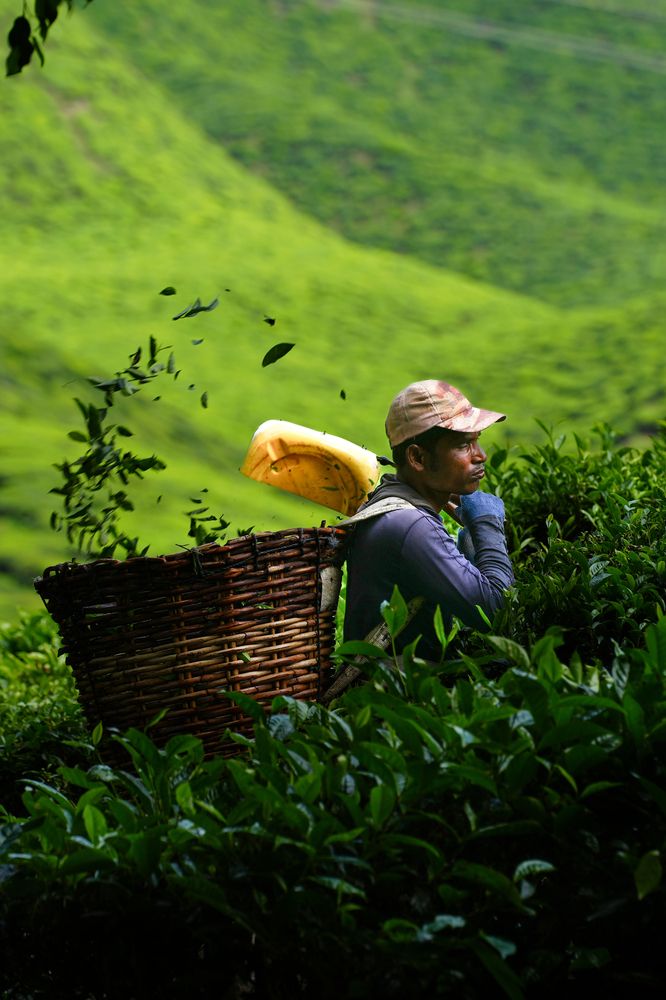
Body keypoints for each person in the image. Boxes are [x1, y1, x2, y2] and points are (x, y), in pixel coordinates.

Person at [342, 380, 514, 659]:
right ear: (418, 458)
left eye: (477, 440)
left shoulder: (392, 506)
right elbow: (499, 611)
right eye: (464, 445)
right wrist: (486, 521)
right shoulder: (410, 526)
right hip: (400, 686)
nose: (481, 456)